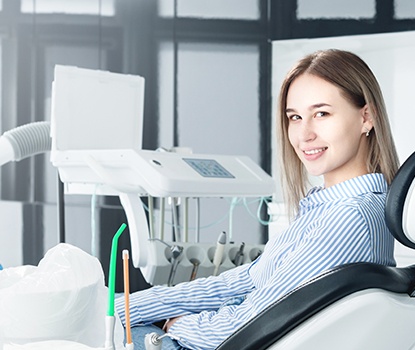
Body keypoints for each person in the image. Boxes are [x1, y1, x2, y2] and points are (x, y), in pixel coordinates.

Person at [115, 49, 400, 350]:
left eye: (321, 114)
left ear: (366, 117)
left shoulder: (349, 219)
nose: (304, 135)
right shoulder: (331, 209)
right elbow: (242, 283)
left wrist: (177, 325)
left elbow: (250, 323)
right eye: (295, 117)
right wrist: (128, 306)